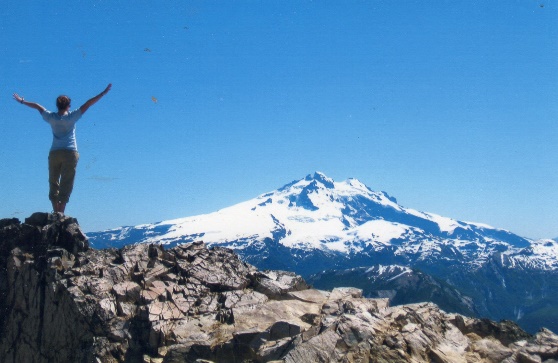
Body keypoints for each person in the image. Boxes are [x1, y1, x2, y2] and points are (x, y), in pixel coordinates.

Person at [13, 84, 112, 214]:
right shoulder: (72, 116)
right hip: (70, 152)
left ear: (57, 105)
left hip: (55, 152)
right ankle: (61, 212)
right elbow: (88, 103)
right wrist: (103, 93)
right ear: (68, 106)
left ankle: (55, 211)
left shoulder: (51, 117)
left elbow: (37, 106)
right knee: (67, 181)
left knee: (53, 180)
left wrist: (22, 101)